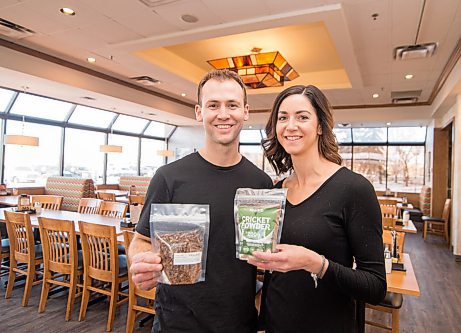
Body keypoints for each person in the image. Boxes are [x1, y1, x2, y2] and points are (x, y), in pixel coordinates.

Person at [128, 69, 273, 332]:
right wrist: (140, 261)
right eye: (213, 105)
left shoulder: (261, 183)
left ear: (246, 111)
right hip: (177, 323)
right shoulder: (168, 178)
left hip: (239, 322)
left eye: (232, 105)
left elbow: (261, 256)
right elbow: (141, 239)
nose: (223, 114)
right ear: (199, 112)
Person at [248, 85, 386, 332]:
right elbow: (274, 273)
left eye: (302, 117)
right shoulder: (275, 191)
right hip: (276, 324)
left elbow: (375, 286)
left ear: (320, 126)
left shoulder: (354, 189)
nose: (290, 125)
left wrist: (316, 263)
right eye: (283, 117)